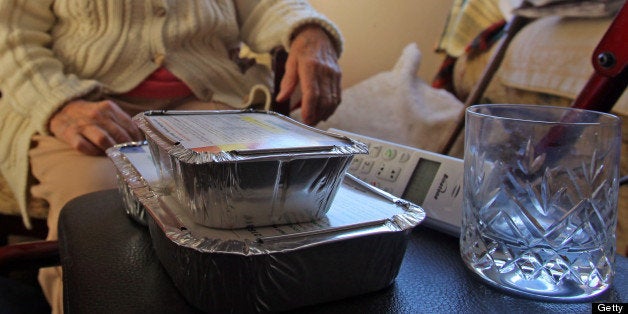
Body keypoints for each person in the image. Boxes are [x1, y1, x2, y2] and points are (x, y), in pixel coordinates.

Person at [0, 1, 343, 312]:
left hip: (210, 99)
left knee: (258, 200)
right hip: (85, 103)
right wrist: (60, 103)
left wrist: (308, 31)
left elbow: (267, 6)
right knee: (100, 207)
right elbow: (11, 34)